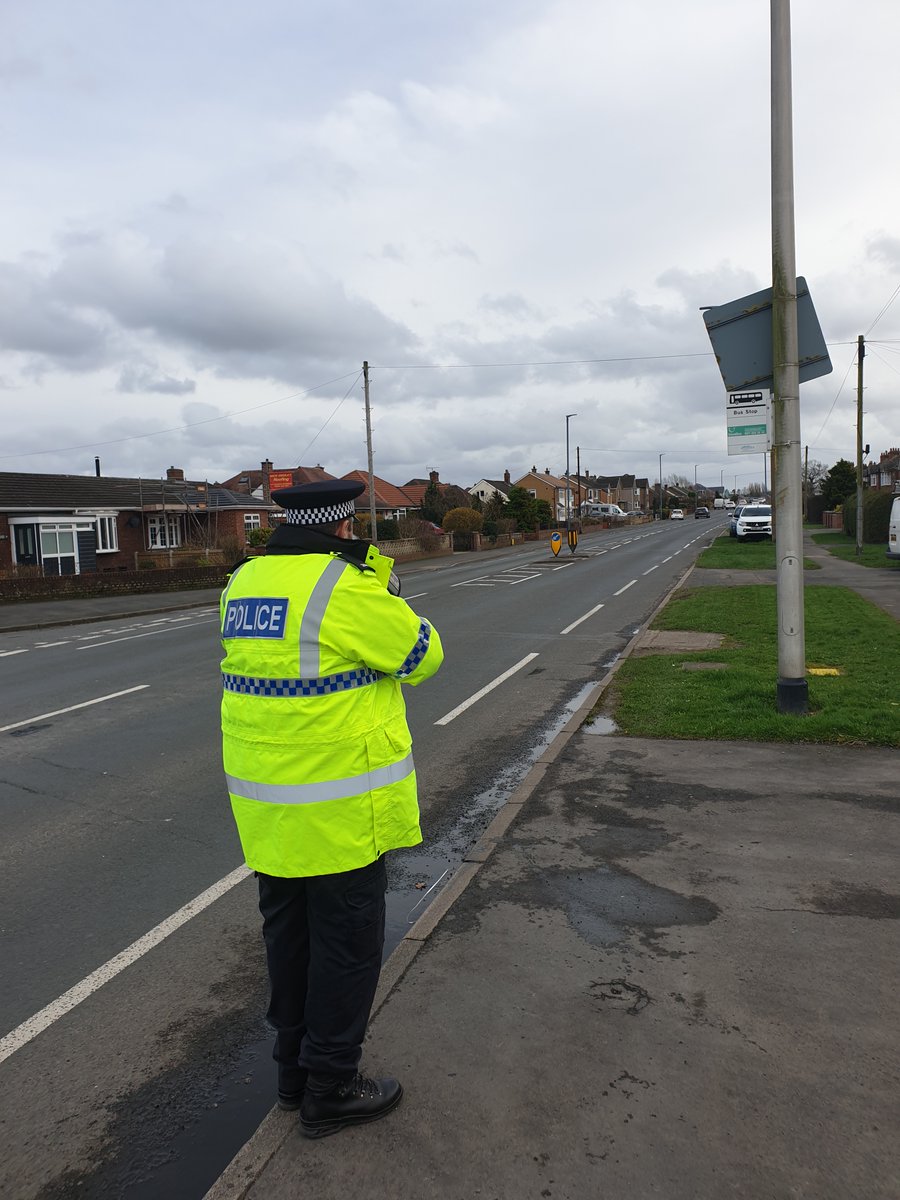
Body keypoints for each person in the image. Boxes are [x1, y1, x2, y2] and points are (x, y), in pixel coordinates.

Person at [219, 479, 443, 1138]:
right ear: (344, 528)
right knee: (345, 951)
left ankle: (292, 1077)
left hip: (268, 811)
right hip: (340, 812)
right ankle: (331, 1089)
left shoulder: (244, 583)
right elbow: (423, 655)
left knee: (289, 946)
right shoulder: (343, 588)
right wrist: (378, 577)